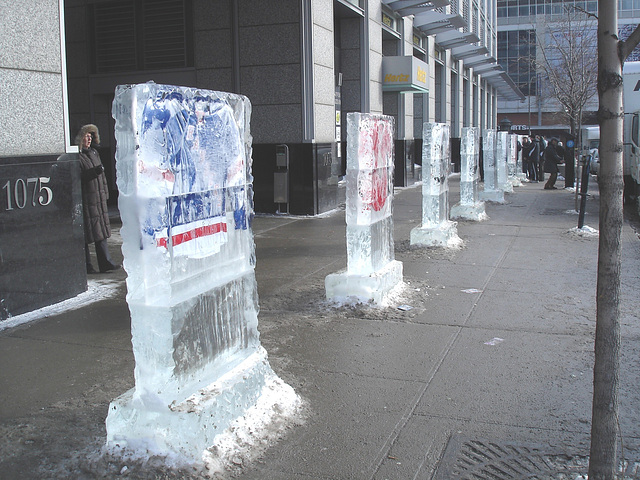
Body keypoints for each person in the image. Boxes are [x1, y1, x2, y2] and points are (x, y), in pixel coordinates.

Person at [76, 124, 120, 273]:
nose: (88, 139)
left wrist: (105, 194)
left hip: (98, 200)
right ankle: (87, 266)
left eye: (90, 137)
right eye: (86, 137)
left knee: (101, 232)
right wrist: (94, 172)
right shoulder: (77, 157)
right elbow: (79, 178)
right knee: (87, 235)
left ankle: (105, 262)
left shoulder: (94, 153)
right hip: (87, 201)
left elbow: (103, 179)